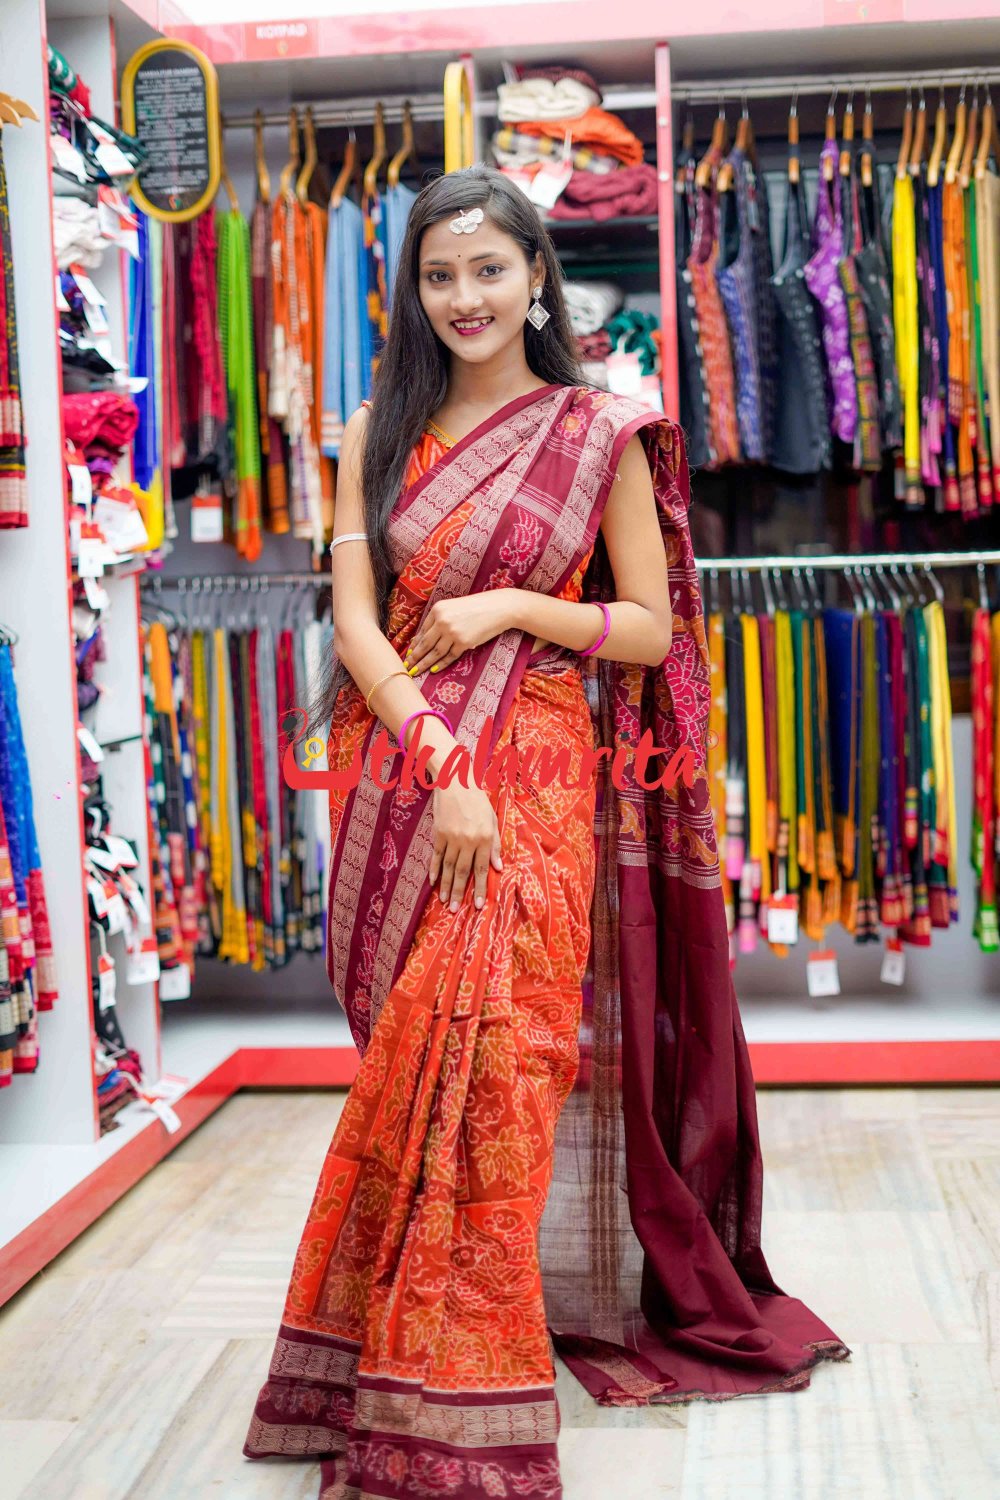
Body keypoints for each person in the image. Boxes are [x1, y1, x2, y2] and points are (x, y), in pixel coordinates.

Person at [244, 164, 849, 1498]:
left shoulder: (600, 429)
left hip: (543, 774)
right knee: (410, 1064)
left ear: (536, 279)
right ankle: (386, 1359)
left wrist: (521, 604)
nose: (465, 297)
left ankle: (467, 1376)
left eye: (490, 270)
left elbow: (650, 626)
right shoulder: (376, 426)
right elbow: (354, 624)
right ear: (409, 289)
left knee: (509, 1069)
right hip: (419, 777)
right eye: (438, 274)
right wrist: (436, 750)